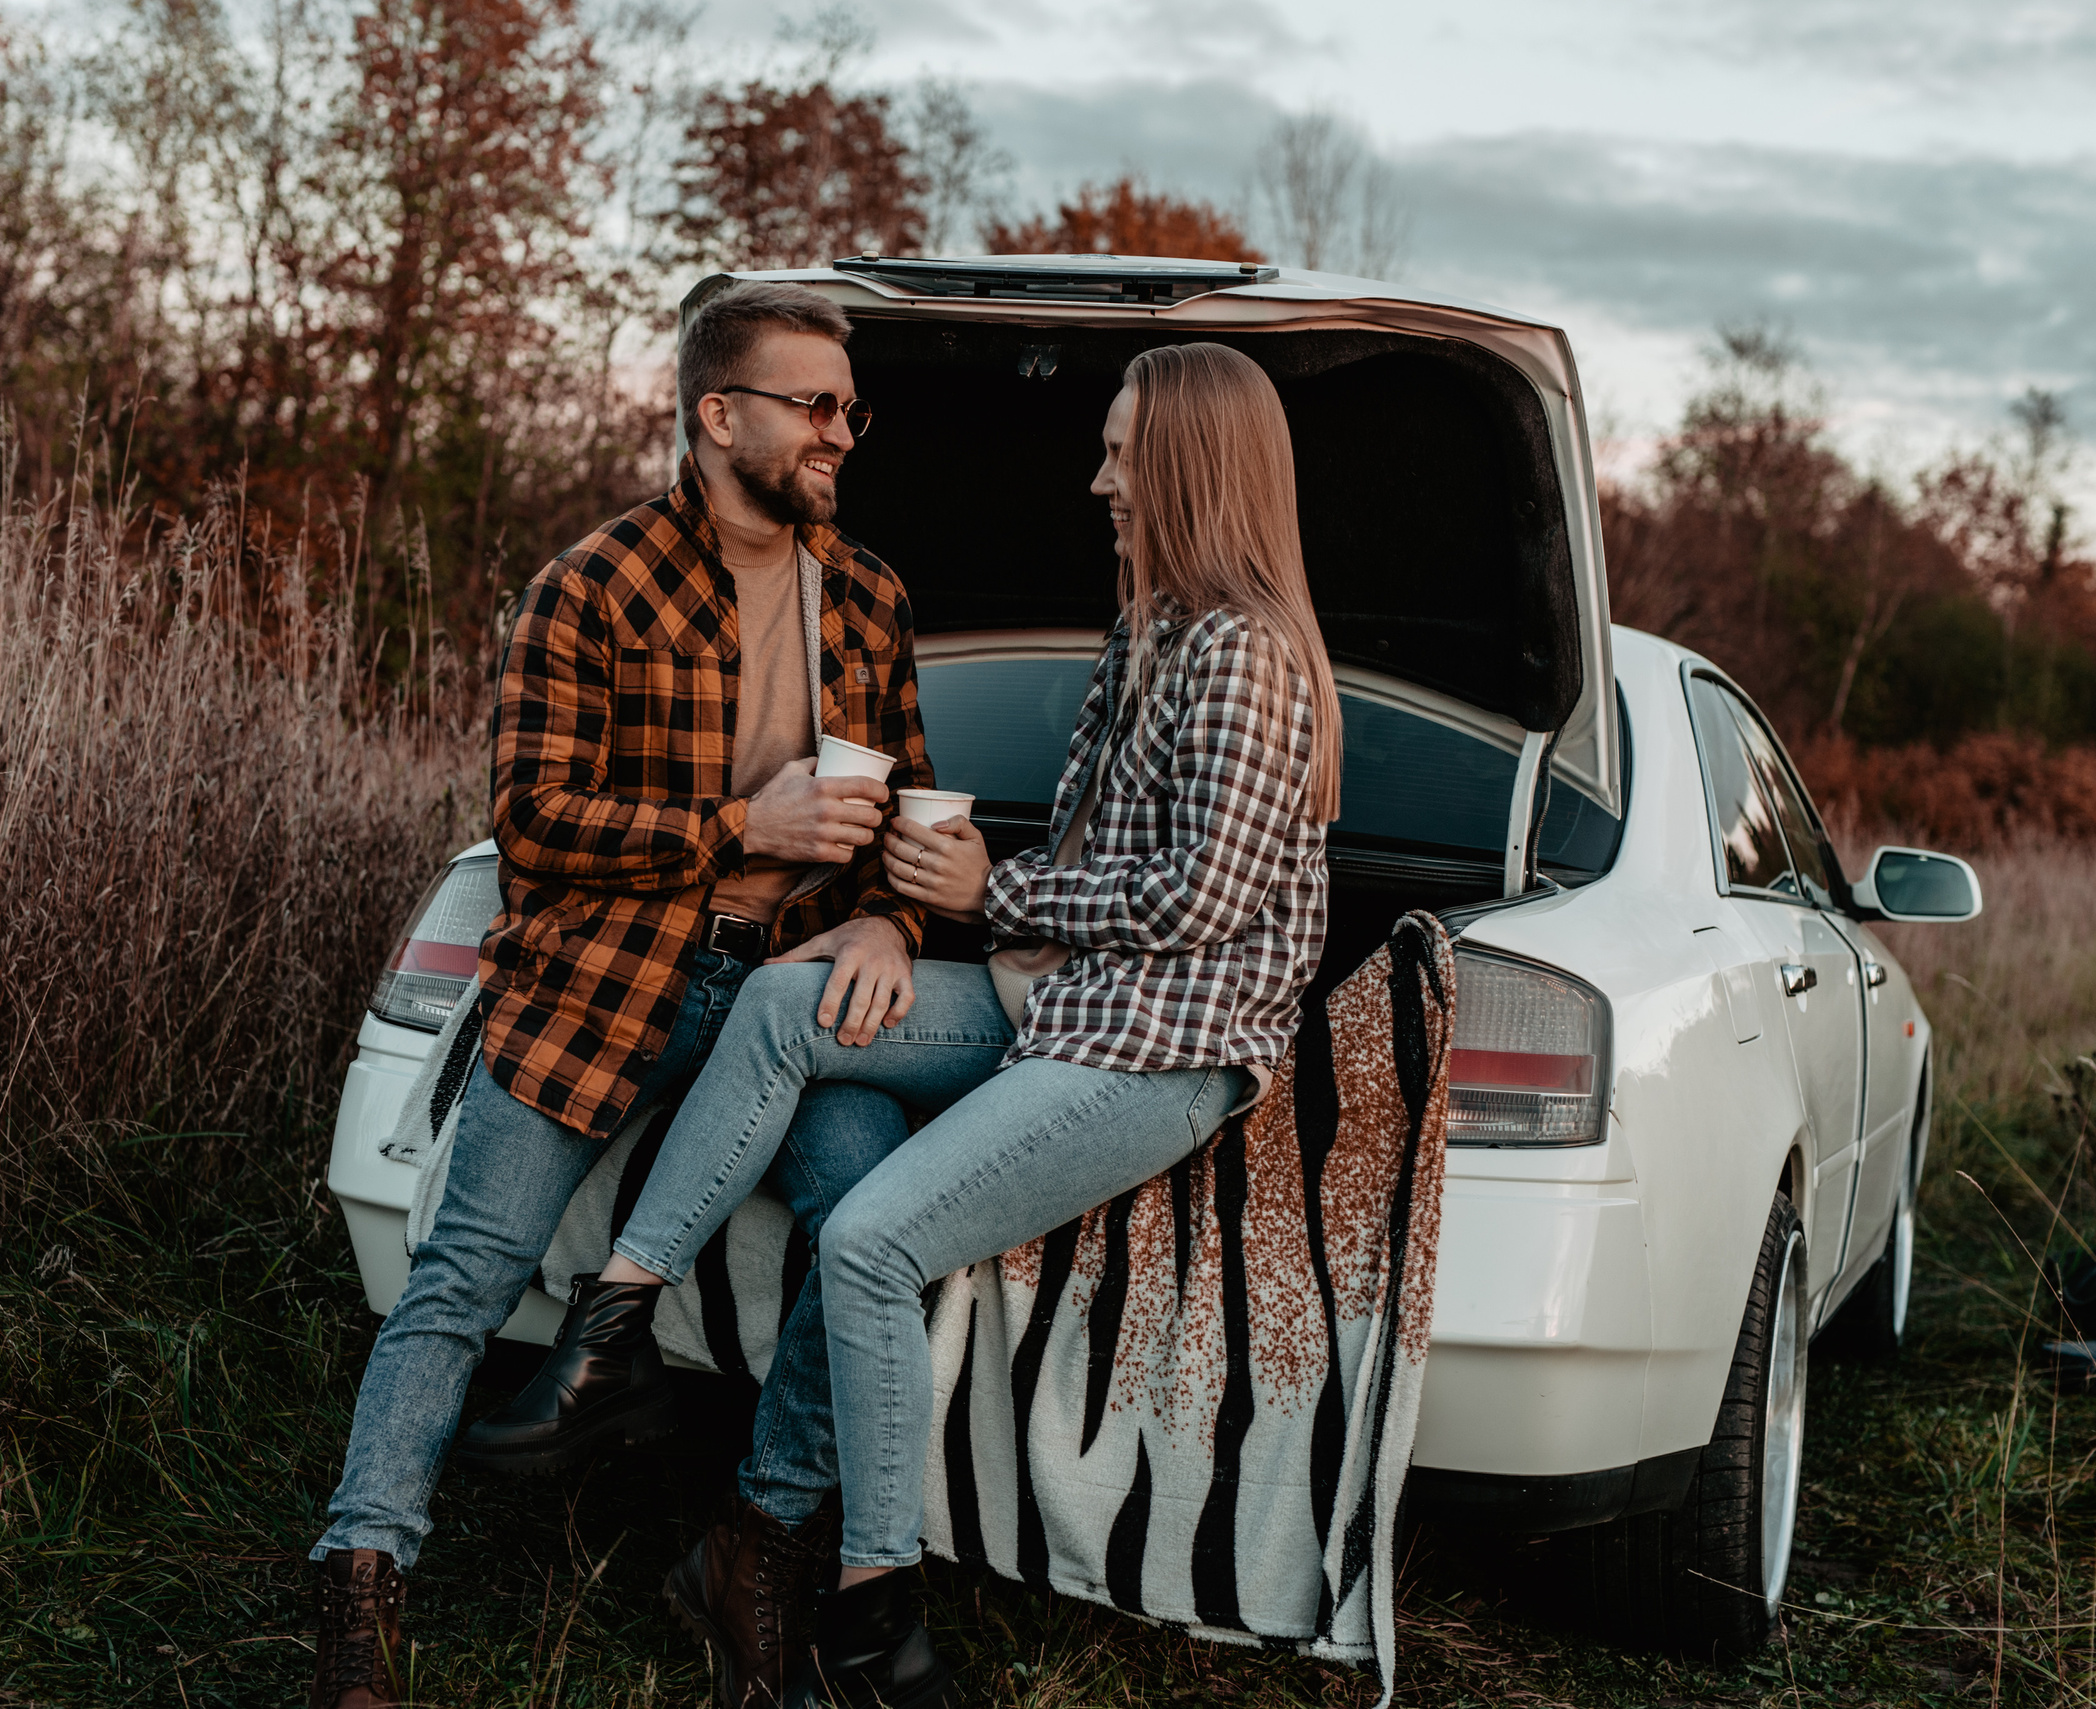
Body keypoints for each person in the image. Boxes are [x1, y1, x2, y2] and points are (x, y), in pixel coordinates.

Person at [496, 340, 1342, 1707]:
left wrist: (990, 885)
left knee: (873, 1235)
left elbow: (1202, 896)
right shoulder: (1149, 633)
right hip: (1062, 1005)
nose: (1098, 476)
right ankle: (615, 1325)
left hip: (1160, 1050)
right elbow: (1101, 859)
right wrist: (894, 914)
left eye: (1122, 450)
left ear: (1188, 463)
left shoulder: (1245, 654)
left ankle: (869, 1610)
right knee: (787, 997)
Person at [308, 281, 934, 1709]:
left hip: (796, 1006)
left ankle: (757, 1543)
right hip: (608, 982)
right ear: (721, 415)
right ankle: (359, 1581)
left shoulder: (876, 596)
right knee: (457, 1278)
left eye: (853, 407)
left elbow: (898, 805)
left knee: (870, 1232)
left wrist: (897, 912)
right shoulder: (591, 586)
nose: (845, 430)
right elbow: (530, 819)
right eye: (815, 403)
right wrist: (738, 831)